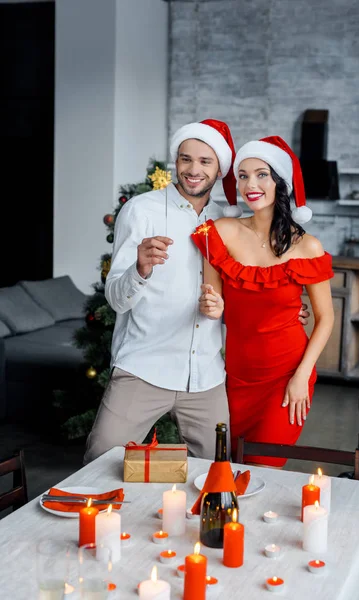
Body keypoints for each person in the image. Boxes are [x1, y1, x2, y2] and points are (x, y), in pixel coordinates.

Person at [83, 122, 309, 465]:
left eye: (205, 161)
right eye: (185, 159)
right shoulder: (140, 211)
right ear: (176, 161)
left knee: (216, 475)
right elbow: (115, 300)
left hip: (206, 376)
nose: (193, 170)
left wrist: (284, 310)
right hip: (144, 368)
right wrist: (139, 269)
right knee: (99, 462)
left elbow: (249, 288)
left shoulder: (230, 223)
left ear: (220, 170)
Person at [191, 136, 334, 467]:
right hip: (236, 376)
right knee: (230, 467)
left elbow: (326, 319)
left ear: (279, 182)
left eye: (261, 174)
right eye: (242, 175)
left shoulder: (307, 246)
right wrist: (211, 307)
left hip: (287, 376)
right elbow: (216, 305)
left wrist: (301, 376)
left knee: (261, 466)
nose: (250, 185)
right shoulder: (219, 233)